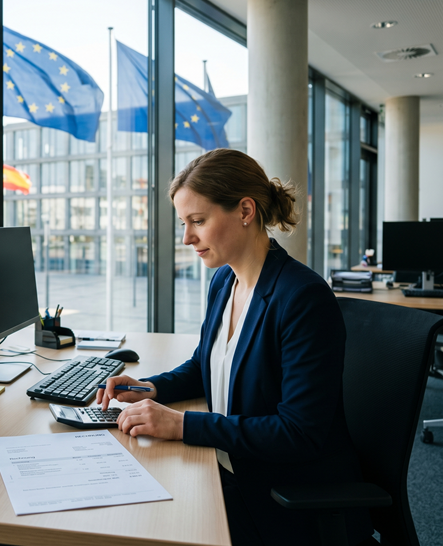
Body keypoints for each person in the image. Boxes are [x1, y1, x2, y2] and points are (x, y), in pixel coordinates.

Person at [97, 149, 372, 546]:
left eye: (198, 221)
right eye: (184, 223)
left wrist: (181, 424)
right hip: (228, 470)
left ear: (245, 210)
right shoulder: (225, 282)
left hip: (283, 498)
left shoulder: (302, 297)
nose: (187, 238)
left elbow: (299, 432)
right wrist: (147, 388)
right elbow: (203, 365)